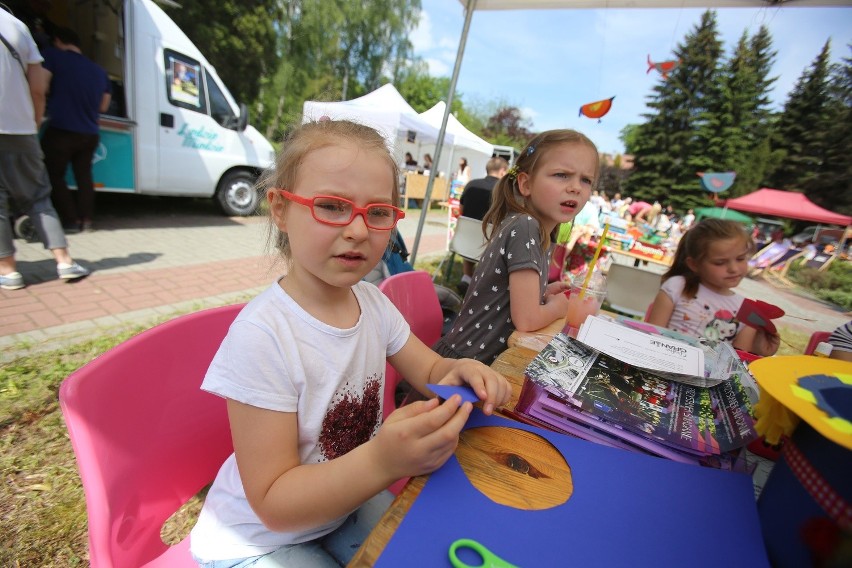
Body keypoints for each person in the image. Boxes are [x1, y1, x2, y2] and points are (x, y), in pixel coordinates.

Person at [188, 119, 510, 566]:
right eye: (333, 206)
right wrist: (382, 462)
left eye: (378, 213)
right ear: (280, 209)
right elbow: (273, 503)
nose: (358, 230)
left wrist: (461, 371)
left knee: (423, 551)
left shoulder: (373, 305)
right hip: (257, 538)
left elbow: (432, 370)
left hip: (342, 505)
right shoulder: (263, 337)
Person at [433, 129, 599, 365]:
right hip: (464, 371)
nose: (576, 187)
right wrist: (561, 306)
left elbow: (507, 297)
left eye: (586, 180)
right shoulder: (526, 227)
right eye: (562, 175)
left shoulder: (537, 230)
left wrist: (543, 294)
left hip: (480, 365)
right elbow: (528, 319)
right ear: (526, 184)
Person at [0, 9, 90, 290]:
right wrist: (33, 124)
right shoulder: (17, 27)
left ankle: (7, 269)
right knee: (40, 195)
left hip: (57, 130)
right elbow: (38, 88)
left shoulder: (57, 58)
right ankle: (63, 260)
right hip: (21, 128)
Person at [646, 219, 779, 356]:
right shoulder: (677, 287)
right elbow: (651, 336)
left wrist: (760, 348)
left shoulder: (747, 311)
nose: (733, 269)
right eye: (720, 262)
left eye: (740, 259)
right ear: (694, 264)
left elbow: (735, 364)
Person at [41, 27, 111, 233]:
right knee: (84, 177)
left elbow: (41, 86)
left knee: (53, 175)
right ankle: (86, 220)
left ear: (58, 40)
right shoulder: (99, 71)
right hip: (90, 133)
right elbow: (103, 106)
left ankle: (70, 220)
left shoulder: (53, 56)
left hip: (62, 129)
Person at [457, 156, 508, 294]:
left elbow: (461, 210)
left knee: (473, 233)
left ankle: (467, 277)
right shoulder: (505, 190)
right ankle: (480, 282)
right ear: (503, 171)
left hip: (464, 242)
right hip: (488, 246)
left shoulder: (471, 184)